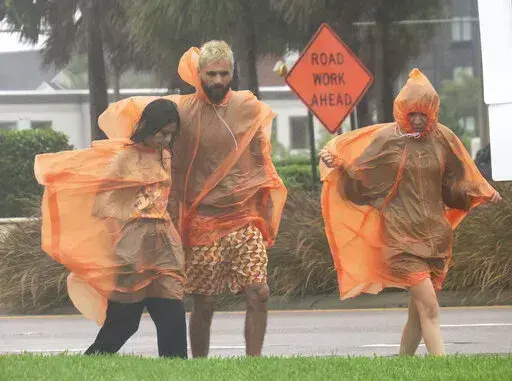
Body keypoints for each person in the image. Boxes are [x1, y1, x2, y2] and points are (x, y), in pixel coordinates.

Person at [319, 69, 501, 356]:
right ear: (402, 111)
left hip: (436, 241)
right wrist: (341, 166)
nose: (417, 119)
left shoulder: (443, 139)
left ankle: (403, 363)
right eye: (412, 113)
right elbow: (363, 181)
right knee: (430, 308)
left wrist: (480, 192)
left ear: (432, 111)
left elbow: (455, 184)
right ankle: (443, 369)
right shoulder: (388, 139)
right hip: (399, 240)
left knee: (418, 314)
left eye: (423, 113)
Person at [34, 98, 187, 358]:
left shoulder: (165, 155)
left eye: (171, 134)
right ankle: (92, 362)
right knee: (125, 322)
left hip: (165, 246)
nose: (166, 139)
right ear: (148, 126)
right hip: (133, 247)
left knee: (171, 314)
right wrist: (133, 218)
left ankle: (178, 370)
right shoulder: (125, 157)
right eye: (162, 133)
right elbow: (102, 204)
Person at [166, 40, 287, 357]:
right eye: (211, 74)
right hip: (203, 221)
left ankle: (253, 366)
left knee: (259, 292)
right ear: (199, 74)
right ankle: (201, 367)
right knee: (204, 302)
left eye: (224, 73)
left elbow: (261, 160)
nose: (218, 80)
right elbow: (173, 168)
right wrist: (171, 222)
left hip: (243, 218)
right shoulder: (183, 112)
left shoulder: (248, 106)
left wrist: (267, 208)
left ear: (233, 72)